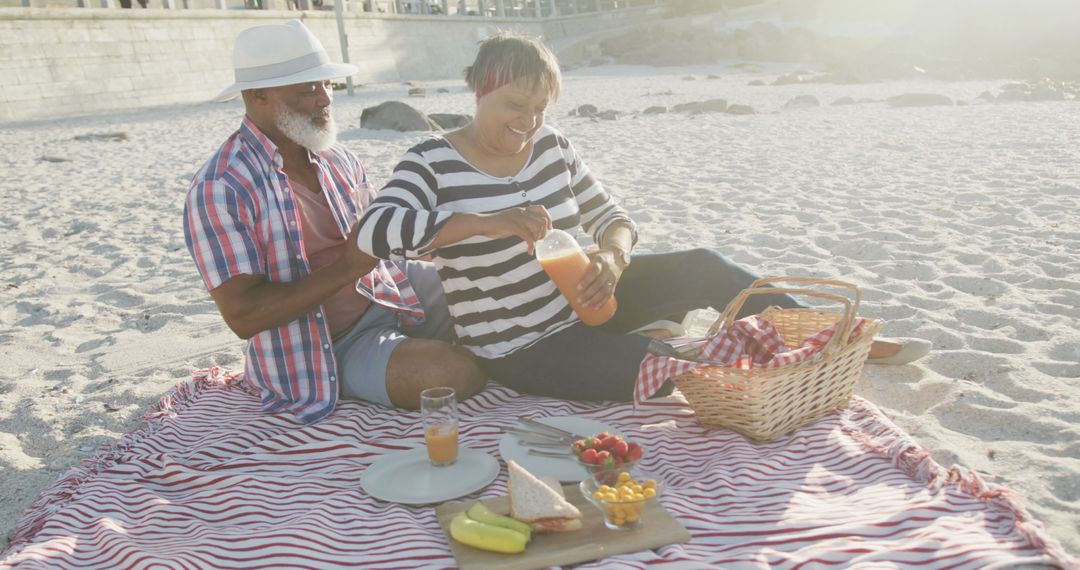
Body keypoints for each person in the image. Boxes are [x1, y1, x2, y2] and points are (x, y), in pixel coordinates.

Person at [355, 32, 931, 402]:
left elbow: (612, 215)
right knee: (661, 369)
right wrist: (488, 221)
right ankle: (682, 345)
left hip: (589, 299)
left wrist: (613, 253)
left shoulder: (552, 145)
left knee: (705, 265)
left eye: (538, 108)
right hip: (521, 346)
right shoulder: (430, 159)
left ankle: (828, 339)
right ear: (480, 90)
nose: (528, 122)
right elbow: (374, 232)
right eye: (514, 105)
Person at [183, 20, 484, 425]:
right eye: (307, 89)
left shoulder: (335, 156)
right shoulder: (221, 188)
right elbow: (244, 315)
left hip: (390, 289)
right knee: (449, 374)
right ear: (258, 95)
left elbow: (388, 237)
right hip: (326, 342)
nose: (325, 98)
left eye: (327, 85)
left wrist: (469, 234)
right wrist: (346, 268)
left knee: (495, 287)